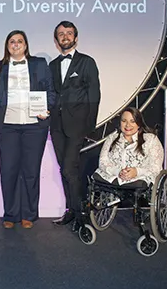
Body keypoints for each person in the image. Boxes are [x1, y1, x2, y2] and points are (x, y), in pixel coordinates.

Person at [0, 30, 55, 229]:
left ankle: (29, 214)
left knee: (31, 170)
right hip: (8, 125)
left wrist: (47, 109)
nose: (16, 44)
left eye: (19, 41)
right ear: (7, 46)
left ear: (25, 45)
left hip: (35, 125)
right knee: (8, 170)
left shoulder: (39, 64)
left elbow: (51, 92)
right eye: (12, 41)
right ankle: (11, 214)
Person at [49, 20, 101, 231]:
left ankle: (80, 214)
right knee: (65, 169)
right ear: (56, 39)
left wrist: (89, 126)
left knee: (70, 168)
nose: (65, 37)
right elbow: (51, 95)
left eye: (69, 33)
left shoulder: (87, 62)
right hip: (57, 126)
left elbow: (94, 94)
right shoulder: (52, 66)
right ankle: (72, 210)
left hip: (77, 126)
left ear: (76, 38)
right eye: (61, 34)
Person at [94, 107, 164, 188]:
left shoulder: (150, 139)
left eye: (132, 121)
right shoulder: (112, 138)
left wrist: (136, 172)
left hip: (140, 178)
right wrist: (118, 172)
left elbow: (155, 167)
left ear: (138, 124)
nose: (128, 125)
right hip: (113, 177)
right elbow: (103, 162)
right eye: (124, 121)